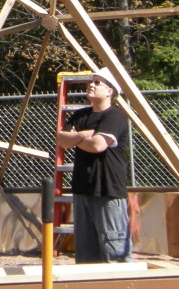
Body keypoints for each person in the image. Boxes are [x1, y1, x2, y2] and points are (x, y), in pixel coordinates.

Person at [55, 67, 132, 263]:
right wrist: (85, 135)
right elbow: (62, 141)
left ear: (110, 91)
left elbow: (98, 146)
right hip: (82, 190)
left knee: (114, 251)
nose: (91, 85)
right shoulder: (80, 115)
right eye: (91, 81)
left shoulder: (114, 117)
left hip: (108, 191)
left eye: (98, 82)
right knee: (86, 254)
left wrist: (76, 138)